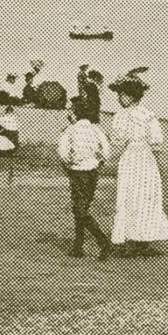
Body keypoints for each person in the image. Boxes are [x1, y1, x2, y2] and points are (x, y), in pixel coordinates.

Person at [108, 69, 168, 257]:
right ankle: (131, 238)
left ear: (131, 95)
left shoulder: (143, 115)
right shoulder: (127, 115)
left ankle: (142, 239)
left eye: (122, 94)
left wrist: (157, 167)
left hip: (141, 158)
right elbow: (120, 140)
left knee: (143, 196)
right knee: (132, 196)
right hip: (136, 158)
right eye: (119, 94)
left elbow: (155, 140)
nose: (120, 98)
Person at [57, 96, 113, 259]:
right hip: (93, 172)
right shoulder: (96, 129)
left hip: (78, 172)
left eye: (70, 112)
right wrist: (98, 162)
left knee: (80, 210)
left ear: (75, 113)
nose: (69, 115)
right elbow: (106, 151)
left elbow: (62, 153)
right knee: (81, 209)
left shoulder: (70, 130)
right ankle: (78, 246)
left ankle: (103, 242)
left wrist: (69, 164)